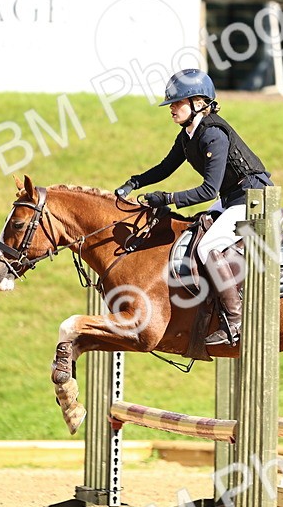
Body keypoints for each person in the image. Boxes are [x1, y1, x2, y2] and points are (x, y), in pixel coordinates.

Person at [115, 70, 273, 346]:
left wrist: (166, 199)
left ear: (198, 102)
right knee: (193, 232)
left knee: (206, 247)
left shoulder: (213, 134)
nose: (172, 108)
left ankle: (236, 322)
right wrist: (134, 183)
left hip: (252, 198)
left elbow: (207, 191)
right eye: (172, 104)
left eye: (177, 102)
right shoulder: (189, 134)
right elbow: (166, 167)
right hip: (231, 197)